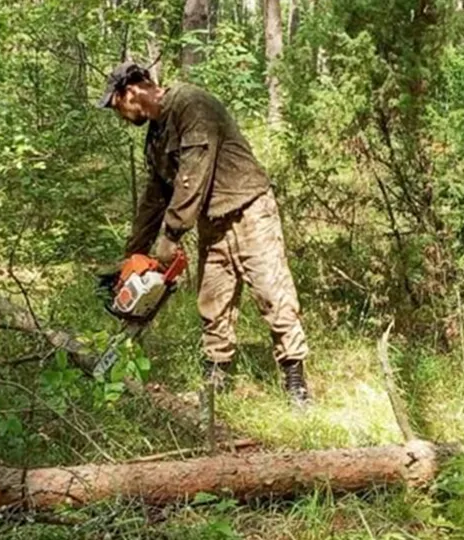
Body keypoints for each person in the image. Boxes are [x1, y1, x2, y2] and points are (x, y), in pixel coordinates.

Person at [97, 62, 310, 404]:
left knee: (273, 294)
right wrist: (133, 254)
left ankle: (295, 382)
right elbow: (155, 195)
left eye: (116, 105)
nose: (118, 114)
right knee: (213, 302)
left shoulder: (191, 105)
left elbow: (193, 174)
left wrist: (171, 234)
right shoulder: (156, 136)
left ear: (131, 91)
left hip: (249, 210)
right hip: (212, 221)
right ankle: (216, 381)